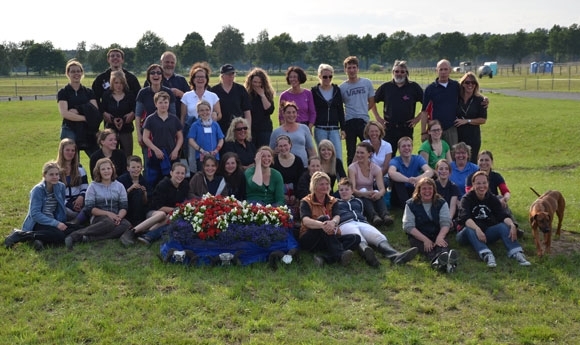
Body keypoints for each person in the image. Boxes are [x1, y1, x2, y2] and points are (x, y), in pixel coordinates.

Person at [336, 178, 418, 267]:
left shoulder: (358, 201)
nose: (344, 192)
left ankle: (396, 256)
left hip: (362, 222)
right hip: (345, 224)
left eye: (347, 189)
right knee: (358, 237)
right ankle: (368, 254)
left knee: (379, 237)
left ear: (352, 191)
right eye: (341, 190)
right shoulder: (335, 203)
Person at [456, 171, 531, 267]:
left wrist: (512, 225)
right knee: (469, 229)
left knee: (503, 226)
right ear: (473, 185)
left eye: (484, 183)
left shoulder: (492, 198)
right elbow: (465, 218)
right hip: (467, 234)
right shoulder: (466, 199)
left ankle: (516, 253)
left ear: (488, 184)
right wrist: (477, 229)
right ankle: (486, 254)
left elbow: (502, 215)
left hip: (486, 233)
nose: (481, 186)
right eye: (478, 183)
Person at [5, 162, 78, 250]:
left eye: (57, 174)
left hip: (52, 219)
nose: (55, 177)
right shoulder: (38, 190)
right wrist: (56, 224)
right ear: (44, 175)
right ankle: (21, 235)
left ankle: (38, 240)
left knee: (75, 228)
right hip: (38, 222)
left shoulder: (61, 187)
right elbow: (35, 214)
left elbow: (60, 207)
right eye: (51, 174)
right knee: (59, 235)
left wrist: (60, 222)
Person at [65, 158, 131, 249]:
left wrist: (119, 217)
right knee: (109, 223)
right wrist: (108, 214)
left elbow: (124, 206)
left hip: (116, 216)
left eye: (108, 168)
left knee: (127, 225)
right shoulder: (93, 186)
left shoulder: (119, 186)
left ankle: (88, 238)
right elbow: (89, 208)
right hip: (98, 217)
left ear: (112, 169)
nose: (106, 171)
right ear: (98, 171)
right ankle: (76, 234)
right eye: (103, 169)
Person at [298, 171, 360, 267]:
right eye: (321, 184)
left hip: (328, 236)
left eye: (327, 184)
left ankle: (325, 258)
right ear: (314, 186)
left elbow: (337, 216)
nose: (325, 187)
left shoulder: (333, 200)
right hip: (309, 238)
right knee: (323, 218)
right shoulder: (306, 201)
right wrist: (323, 225)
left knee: (355, 238)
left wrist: (333, 222)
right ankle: (339, 254)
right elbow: (305, 221)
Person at [402, 177, 457, 273]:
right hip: (418, 236)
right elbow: (408, 226)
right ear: (419, 190)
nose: (427, 191)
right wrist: (425, 240)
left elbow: (445, 222)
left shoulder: (441, 202)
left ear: (434, 190)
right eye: (424, 188)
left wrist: (440, 237)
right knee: (428, 248)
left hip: (437, 232)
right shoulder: (410, 204)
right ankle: (439, 262)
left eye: (430, 188)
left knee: (442, 245)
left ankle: (444, 260)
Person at [465, 150, 523, 238]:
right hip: (477, 203)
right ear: (477, 162)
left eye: (487, 160)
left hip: (494, 203)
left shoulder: (496, 176)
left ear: (492, 162)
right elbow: (469, 193)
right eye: (481, 160)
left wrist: (504, 199)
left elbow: (506, 191)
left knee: (500, 197)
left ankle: (513, 225)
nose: (484, 163)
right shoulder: (471, 177)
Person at [373, 60, 424, 156]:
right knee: (388, 157)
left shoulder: (413, 87)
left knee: (405, 156)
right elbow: (372, 101)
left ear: (406, 73)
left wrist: (417, 118)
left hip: (406, 128)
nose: (399, 74)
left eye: (402, 72)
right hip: (389, 128)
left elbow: (426, 104)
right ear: (393, 72)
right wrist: (378, 118)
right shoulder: (386, 87)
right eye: (396, 71)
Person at [132, 162, 189, 246]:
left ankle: (147, 234)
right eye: (177, 173)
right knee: (167, 216)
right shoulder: (163, 185)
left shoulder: (185, 185)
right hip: (154, 212)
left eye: (182, 173)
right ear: (171, 173)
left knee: (173, 221)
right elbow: (158, 207)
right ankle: (134, 232)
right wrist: (176, 210)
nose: (180, 176)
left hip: (170, 215)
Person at [340, 56, 382, 165]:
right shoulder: (342, 88)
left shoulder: (366, 83)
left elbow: (372, 101)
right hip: (349, 121)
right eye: (349, 68)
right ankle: (351, 178)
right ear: (345, 70)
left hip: (363, 121)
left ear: (358, 69)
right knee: (351, 151)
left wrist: (363, 110)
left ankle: (369, 174)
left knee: (368, 149)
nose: (352, 70)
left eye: (354, 67)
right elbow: (339, 107)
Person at [181, 62, 221, 173]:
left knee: (210, 160)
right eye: (197, 77)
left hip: (209, 134)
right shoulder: (186, 96)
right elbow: (183, 117)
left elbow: (219, 114)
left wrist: (215, 115)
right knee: (193, 160)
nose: (200, 79)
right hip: (193, 133)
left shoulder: (212, 96)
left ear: (206, 79)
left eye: (202, 77)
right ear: (193, 79)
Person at [135, 64, 177, 169]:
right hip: (148, 134)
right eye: (152, 73)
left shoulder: (168, 92)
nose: (156, 75)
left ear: (162, 76)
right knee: (149, 165)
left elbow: (173, 114)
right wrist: (139, 135)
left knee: (167, 165)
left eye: (158, 72)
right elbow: (138, 114)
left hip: (166, 133)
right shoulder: (143, 93)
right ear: (148, 76)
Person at [57, 59, 100, 158]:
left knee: (97, 158)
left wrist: (77, 110)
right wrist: (85, 117)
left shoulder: (89, 92)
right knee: (71, 160)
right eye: (72, 71)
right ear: (67, 73)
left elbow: (95, 111)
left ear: (82, 73)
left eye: (78, 71)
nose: (76, 74)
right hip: (69, 128)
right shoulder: (63, 92)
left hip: (88, 129)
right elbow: (65, 113)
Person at [142, 91, 184, 191]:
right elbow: (145, 138)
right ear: (156, 104)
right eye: (160, 102)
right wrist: (155, 150)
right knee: (155, 181)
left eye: (165, 102)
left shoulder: (174, 119)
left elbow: (180, 137)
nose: (163, 105)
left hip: (171, 154)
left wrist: (176, 150)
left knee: (172, 181)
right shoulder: (150, 119)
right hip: (156, 155)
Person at [348, 142, 393, 227]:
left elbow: (382, 188)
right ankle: (374, 216)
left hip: (370, 194)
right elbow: (352, 189)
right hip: (358, 195)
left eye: (362, 153)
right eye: (357, 152)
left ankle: (385, 215)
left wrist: (379, 193)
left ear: (369, 154)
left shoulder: (376, 168)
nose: (359, 155)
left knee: (376, 192)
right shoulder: (352, 168)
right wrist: (364, 193)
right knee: (364, 191)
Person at [419, 59, 461, 146]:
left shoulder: (455, 86)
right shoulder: (430, 89)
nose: (443, 72)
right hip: (435, 128)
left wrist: (484, 99)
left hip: (451, 128)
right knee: (435, 155)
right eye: (441, 69)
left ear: (450, 70)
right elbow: (424, 111)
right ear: (436, 71)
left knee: (452, 155)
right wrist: (423, 132)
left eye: (446, 69)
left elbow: (470, 94)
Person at [311, 63, 345, 161]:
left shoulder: (336, 90)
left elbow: (340, 110)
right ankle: (324, 176)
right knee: (323, 158)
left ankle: (341, 176)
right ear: (319, 76)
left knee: (337, 157)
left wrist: (343, 128)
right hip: (320, 129)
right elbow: (312, 110)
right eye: (325, 77)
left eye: (330, 76)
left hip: (334, 129)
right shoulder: (314, 91)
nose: (328, 79)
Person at [388, 137, 434, 208]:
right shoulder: (395, 160)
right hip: (399, 194)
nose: (406, 148)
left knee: (427, 180)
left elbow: (430, 171)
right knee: (398, 182)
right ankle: (407, 206)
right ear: (399, 149)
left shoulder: (418, 158)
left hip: (414, 188)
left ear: (412, 147)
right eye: (403, 146)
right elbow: (391, 173)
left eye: (409, 146)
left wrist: (417, 179)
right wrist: (408, 180)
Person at [99, 70, 136, 157]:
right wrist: (111, 119)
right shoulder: (106, 95)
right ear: (112, 83)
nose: (119, 85)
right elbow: (102, 109)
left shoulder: (130, 95)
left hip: (126, 129)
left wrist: (129, 116)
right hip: (111, 130)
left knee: (127, 156)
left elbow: (134, 109)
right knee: (110, 155)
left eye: (121, 83)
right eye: (116, 83)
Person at [144, 51, 190, 120]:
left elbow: (190, 100)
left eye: (172, 63)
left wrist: (181, 94)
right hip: (154, 121)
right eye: (167, 62)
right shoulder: (151, 80)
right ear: (161, 62)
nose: (169, 65)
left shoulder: (181, 80)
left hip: (177, 120)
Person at [270, 101, 315, 168]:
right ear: (283, 114)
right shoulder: (277, 132)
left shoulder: (304, 128)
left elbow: (311, 149)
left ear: (297, 114)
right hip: (283, 167)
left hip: (303, 165)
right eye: (288, 112)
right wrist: (274, 152)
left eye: (294, 112)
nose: (291, 115)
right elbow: (270, 151)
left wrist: (314, 164)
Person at [454, 72, 487, 163]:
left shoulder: (480, 100)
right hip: (457, 135)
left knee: (472, 162)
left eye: (473, 83)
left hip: (473, 136)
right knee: (458, 161)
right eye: (467, 82)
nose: (470, 85)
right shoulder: (456, 98)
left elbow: (483, 120)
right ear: (463, 84)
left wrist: (467, 121)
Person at [210, 64, 252, 136]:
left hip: (238, 129)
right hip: (221, 128)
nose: (231, 76)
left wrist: (247, 129)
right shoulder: (214, 90)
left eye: (233, 74)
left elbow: (247, 111)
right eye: (228, 74)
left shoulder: (240, 89)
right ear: (222, 76)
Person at [56, 138, 88, 221]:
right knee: (66, 211)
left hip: (79, 201)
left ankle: (76, 222)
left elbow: (85, 186)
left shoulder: (80, 168)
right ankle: (78, 222)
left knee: (92, 207)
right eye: (67, 150)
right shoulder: (55, 169)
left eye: (73, 150)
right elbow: (55, 194)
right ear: (61, 151)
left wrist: (81, 197)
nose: (70, 153)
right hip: (63, 204)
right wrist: (70, 205)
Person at [188, 100, 225, 172]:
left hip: (214, 156)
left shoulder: (215, 124)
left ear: (210, 111)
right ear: (198, 112)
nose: (205, 112)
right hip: (201, 157)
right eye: (201, 110)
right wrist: (201, 150)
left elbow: (221, 139)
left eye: (207, 110)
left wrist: (216, 150)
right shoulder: (195, 125)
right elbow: (191, 140)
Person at [273, 135, 305, 214]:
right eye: (280, 146)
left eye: (285, 145)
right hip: (279, 193)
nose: (283, 148)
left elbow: (300, 181)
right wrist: (281, 195)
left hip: (295, 193)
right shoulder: (273, 161)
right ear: (277, 147)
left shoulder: (298, 160)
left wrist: (296, 195)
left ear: (290, 145)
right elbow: (273, 182)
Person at [244, 67, 275, 148]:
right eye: (255, 82)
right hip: (251, 129)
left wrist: (262, 95)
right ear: (250, 82)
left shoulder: (267, 94)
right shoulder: (246, 94)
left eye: (259, 82)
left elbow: (269, 110)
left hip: (264, 130)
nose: (257, 84)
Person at [116, 155, 148, 227]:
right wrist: (129, 189)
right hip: (125, 207)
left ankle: (139, 223)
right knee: (136, 192)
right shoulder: (121, 180)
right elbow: (117, 198)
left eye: (138, 167)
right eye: (133, 167)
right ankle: (136, 223)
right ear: (128, 168)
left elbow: (146, 202)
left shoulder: (144, 181)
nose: (136, 169)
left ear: (141, 168)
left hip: (139, 208)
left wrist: (145, 193)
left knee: (139, 192)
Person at [362, 120, 392, 189]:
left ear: (380, 132)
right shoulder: (364, 144)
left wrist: (374, 179)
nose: (374, 133)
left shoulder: (387, 146)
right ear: (368, 133)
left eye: (376, 131)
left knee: (377, 185)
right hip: (365, 177)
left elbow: (386, 167)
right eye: (371, 131)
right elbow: (355, 163)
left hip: (383, 176)